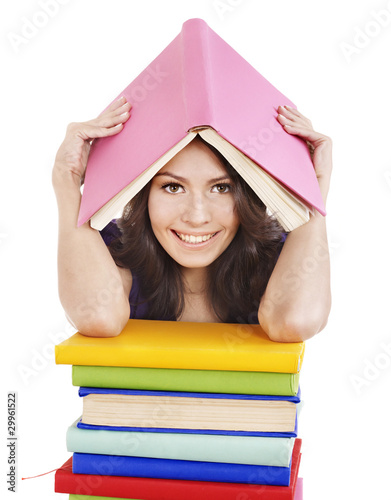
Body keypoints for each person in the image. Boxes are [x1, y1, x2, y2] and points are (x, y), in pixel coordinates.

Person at [52, 96, 332, 341]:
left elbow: (295, 323)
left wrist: (311, 197)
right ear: (143, 193)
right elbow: (97, 318)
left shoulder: (281, 253)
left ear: (249, 195)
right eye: (173, 187)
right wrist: (67, 180)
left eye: (221, 188)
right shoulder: (113, 248)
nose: (197, 217)